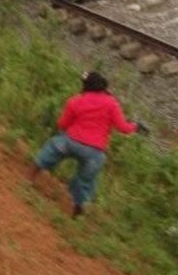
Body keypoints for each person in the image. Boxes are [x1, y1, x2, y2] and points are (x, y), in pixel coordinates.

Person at [31, 71, 142, 216]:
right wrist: (136, 127)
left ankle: (30, 177)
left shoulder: (75, 101)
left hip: (71, 141)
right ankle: (78, 207)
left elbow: (62, 124)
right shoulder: (111, 103)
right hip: (94, 152)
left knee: (50, 150)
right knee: (85, 180)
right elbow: (123, 127)